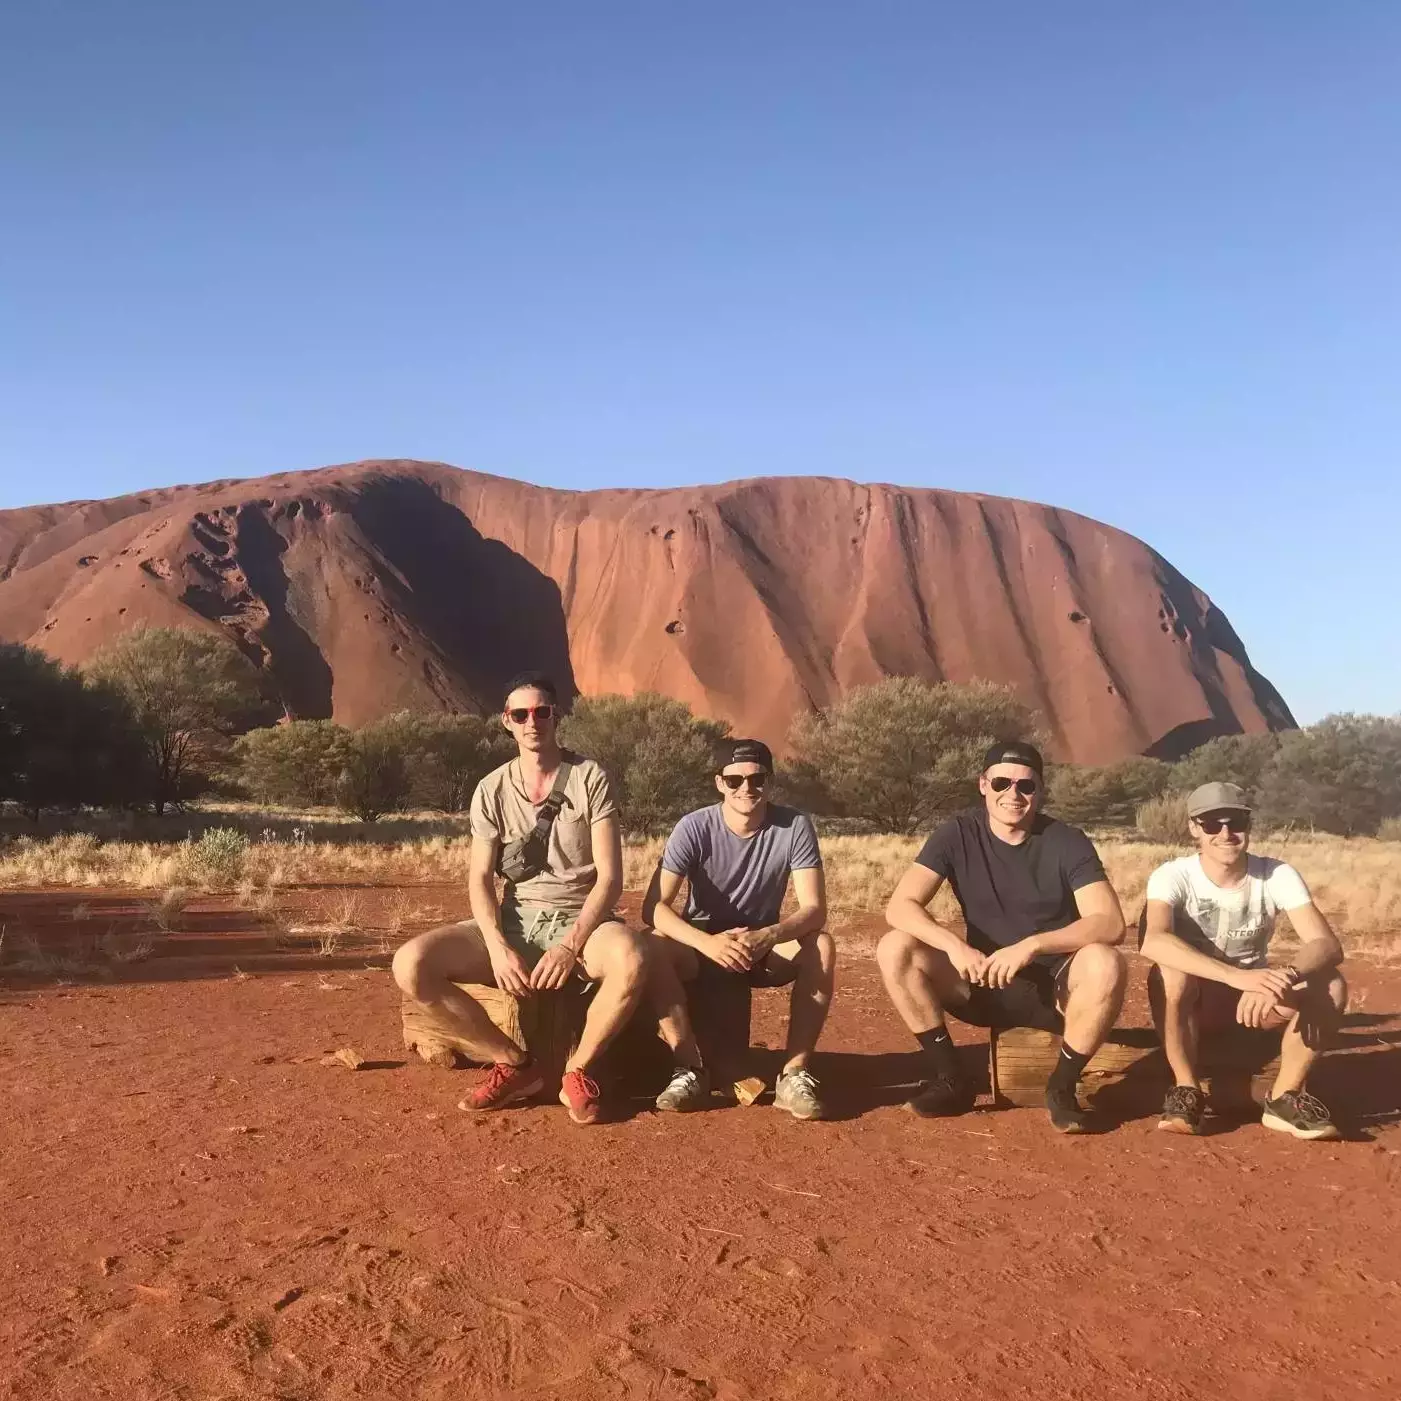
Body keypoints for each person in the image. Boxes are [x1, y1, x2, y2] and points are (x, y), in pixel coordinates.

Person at [391, 672, 647, 1126]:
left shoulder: (590, 779)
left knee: (632, 958)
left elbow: (610, 879)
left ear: (556, 716)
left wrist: (570, 944)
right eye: (521, 714)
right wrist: (496, 945)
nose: (533, 722)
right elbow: (479, 879)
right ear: (506, 722)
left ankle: (578, 1069)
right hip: (515, 919)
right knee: (411, 964)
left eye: (542, 712)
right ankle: (513, 1064)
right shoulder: (491, 788)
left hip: (581, 922)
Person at [877, 741, 1127, 1133]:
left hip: (1055, 993)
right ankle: (951, 1078)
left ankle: (1061, 1087)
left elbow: (1110, 922)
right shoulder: (956, 834)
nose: (1013, 794)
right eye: (1002, 783)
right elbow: (900, 906)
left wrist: (1032, 945)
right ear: (983, 784)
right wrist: (953, 945)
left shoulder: (1066, 840)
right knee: (895, 947)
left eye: (1026, 786)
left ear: (1040, 792)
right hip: (981, 983)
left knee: (1106, 961)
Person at [1139, 781, 1347, 1140]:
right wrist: (1236, 977)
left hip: (1254, 1004)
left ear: (1248, 825)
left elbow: (1327, 944)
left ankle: (1285, 1099)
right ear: (1194, 828)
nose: (1225, 833)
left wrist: (1283, 975)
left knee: (1330, 984)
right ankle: (1186, 1090)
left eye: (1235, 822)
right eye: (1211, 824)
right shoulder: (1173, 875)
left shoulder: (1276, 874)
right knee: (1172, 973)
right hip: (1196, 1002)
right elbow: (1153, 940)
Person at [642, 739, 835, 1120]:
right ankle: (689, 1068)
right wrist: (707, 943)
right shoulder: (694, 827)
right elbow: (654, 908)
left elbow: (814, 910)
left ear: (770, 781)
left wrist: (770, 935)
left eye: (757, 779)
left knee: (822, 946)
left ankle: (793, 1073)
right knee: (652, 946)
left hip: (761, 943)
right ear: (719, 783)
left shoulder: (794, 826)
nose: (746, 788)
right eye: (734, 780)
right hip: (702, 944)